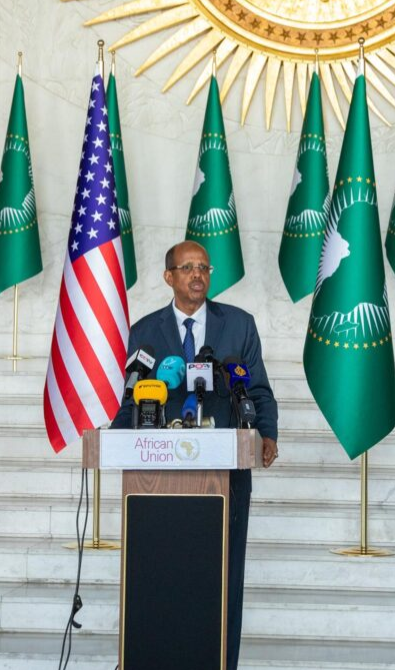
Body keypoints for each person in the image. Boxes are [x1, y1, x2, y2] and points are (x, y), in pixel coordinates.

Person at [111, 240, 278, 670]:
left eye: (203, 267)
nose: (197, 274)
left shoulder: (239, 325)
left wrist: (266, 434)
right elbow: (130, 396)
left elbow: (258, 389)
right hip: (156, 476)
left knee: (224, 577)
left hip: (227, 472)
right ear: (168, 277)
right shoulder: (144, 332)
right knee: (161, 575)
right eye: (187, 268)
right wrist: (114, 439)